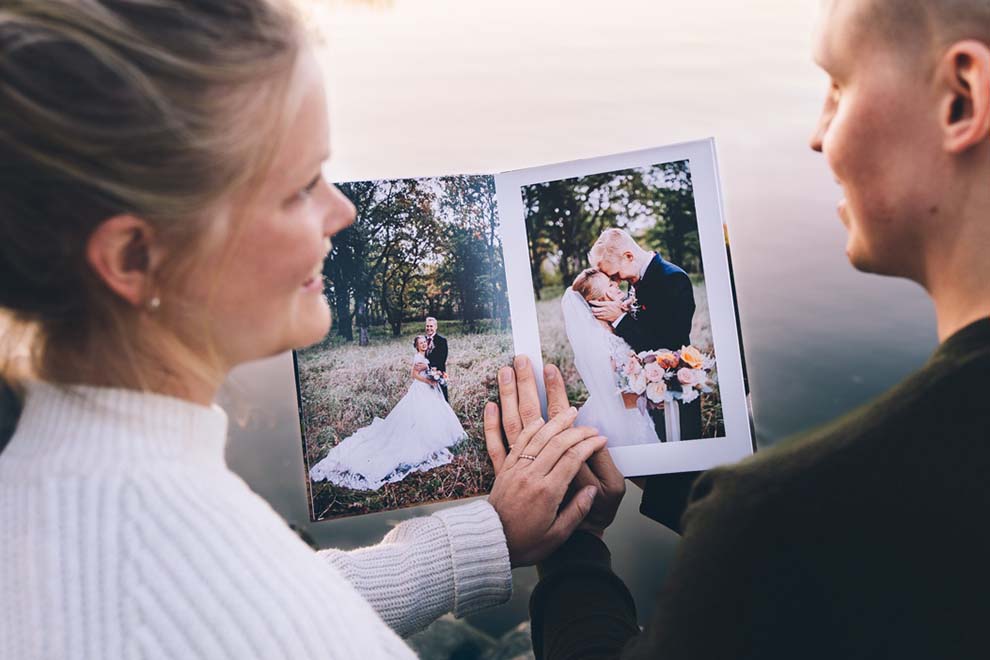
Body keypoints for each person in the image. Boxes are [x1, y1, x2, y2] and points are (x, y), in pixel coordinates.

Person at [0, 2, 610, 657]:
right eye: (300, 187)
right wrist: (580, 567)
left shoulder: (55, 488)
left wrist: (487, 536)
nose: (341, 211)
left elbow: (231, 600)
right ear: (133, 258)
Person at [519, 0, 990, 657]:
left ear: (960, 99)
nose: (817, 135)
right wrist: (682, 475)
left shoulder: (766, 522)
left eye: (837, 85)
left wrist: (572, 550)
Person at [588, 228, 703, 442]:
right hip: (650, 391)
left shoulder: (673, 279)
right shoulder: (636, 282)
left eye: (614, 275)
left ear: (629, 256)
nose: (615, 282)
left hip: (674, 390)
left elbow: (670, 341)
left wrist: (621, 320)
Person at [309, 335, 465, 490]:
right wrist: (429, 380)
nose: (423, 345)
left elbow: (430, 369)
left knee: (435, 411)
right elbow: (414, 375)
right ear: (417, 346)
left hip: (430, 388)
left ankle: (442, 436)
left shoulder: (426, 355)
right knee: (419, 415)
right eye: (421, 343)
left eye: (424, 342)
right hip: (422, 388)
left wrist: (436, 375)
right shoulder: (418, 357)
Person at [563, 269, 661, 447]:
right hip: (616, 411)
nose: (617, 285)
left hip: (632, 407)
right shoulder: (596, 338)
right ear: (599, 300)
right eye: (609, 284)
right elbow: (609, 381)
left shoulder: (618, 324)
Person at [424, 316, 450, 402]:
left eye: (431, 326)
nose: (429, 328)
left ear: (436, 327)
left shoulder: (442, 341)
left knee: (441, 399)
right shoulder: (423, 340)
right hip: (425, 374)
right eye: (427, 326)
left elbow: (442, 358)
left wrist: (433, 369)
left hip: (438, 373)